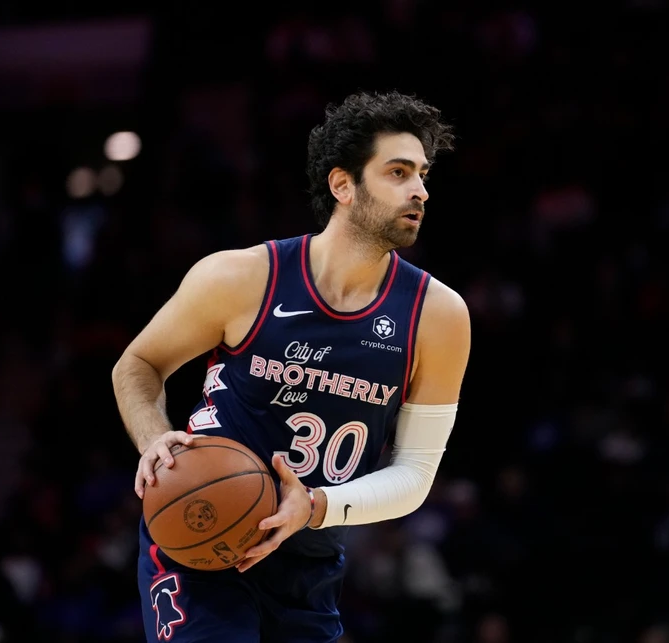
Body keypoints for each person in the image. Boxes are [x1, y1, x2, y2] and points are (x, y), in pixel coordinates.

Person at [111, 90, 472, 643]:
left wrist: (317, 506)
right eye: (398, 172)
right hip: (201, 540)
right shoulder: (241, 277)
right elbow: (138, 364)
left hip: (309, 560)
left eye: (422, 175)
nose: (420, 190)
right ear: (343, 185)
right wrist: (153, 438)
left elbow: (416, 475)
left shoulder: (438, 316)